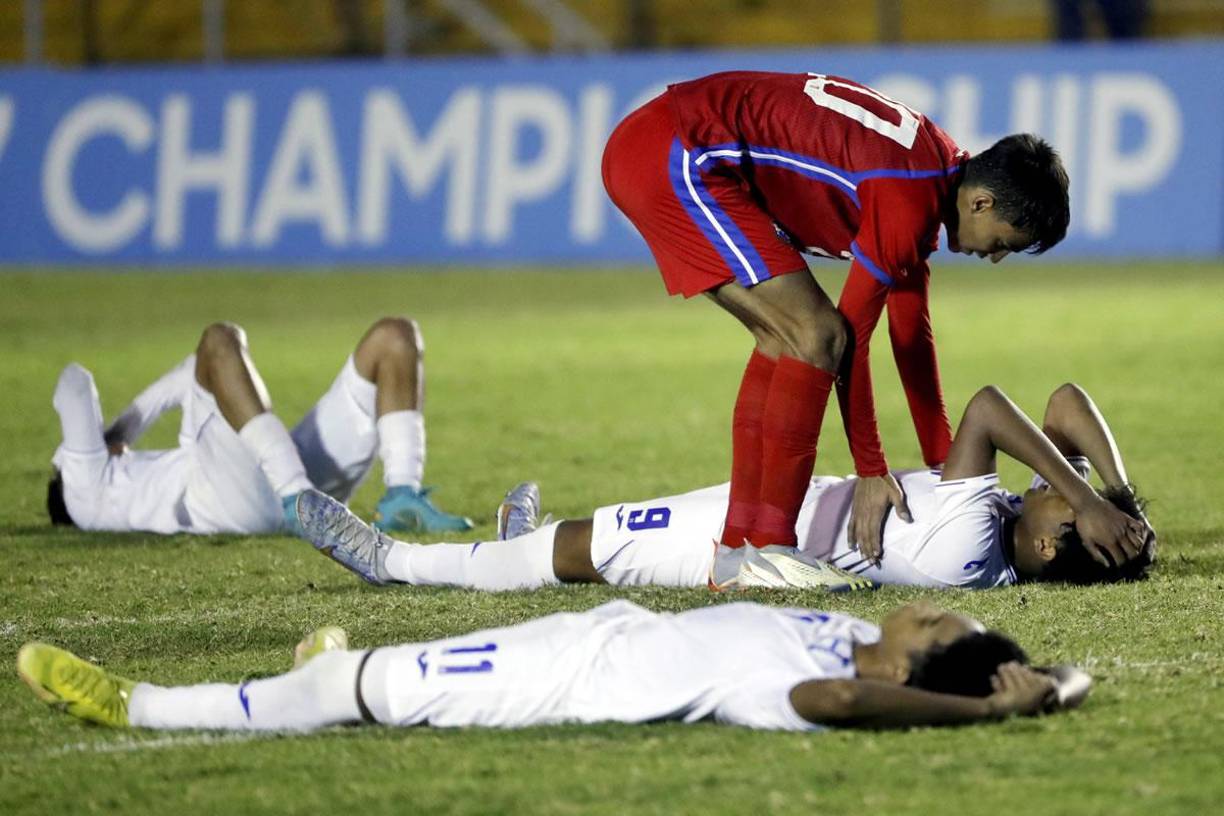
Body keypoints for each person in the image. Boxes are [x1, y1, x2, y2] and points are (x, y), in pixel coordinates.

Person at [602, 71, 1073, 571]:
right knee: (817, 334)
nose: (995, 256)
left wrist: (943, 467)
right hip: (676, 153)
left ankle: (740, 551)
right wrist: (870, 469)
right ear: (981, 203)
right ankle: (769, 551)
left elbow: (911, 337)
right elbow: (851, 341)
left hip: (665, 145)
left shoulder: (931, 171)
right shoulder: (907, 194)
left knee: (784, 340)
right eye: (1003, 242)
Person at [296, 382, 1153, 592]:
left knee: (584, 551)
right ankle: (524, 539)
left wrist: (1089, 500)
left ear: (1051, 543)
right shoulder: (1013, 524)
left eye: (1066, 494)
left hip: (755, 549)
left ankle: (393, 562)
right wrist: (1118, 499)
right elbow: (1065, 405)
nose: (1064, 480)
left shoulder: (971, 539)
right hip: (783, 508)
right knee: (595, 532)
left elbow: (991, 407)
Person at [16, 599, 1092, 733]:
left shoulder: (811, 685)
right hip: (582, 632)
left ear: (918, 662)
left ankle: (138, 705)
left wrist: (986, 714)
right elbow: (1060, 670)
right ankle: (335, 661)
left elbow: (841, 700)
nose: (923, 606)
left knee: (347, 694)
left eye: (936, 620)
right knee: (379, 667)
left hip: (557, 682)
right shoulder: (838, 626)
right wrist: (1041, 682)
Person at [46, 317, 471, 536]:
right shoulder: (79, 489)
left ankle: (402, 495)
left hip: (261, 478)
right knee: (219, 339)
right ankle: (298, 495)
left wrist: (119, 436)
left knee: (393, 336)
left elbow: (192, 371)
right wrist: (113, 437)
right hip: (227, 505)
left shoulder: (118, 487)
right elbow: (74, 383)